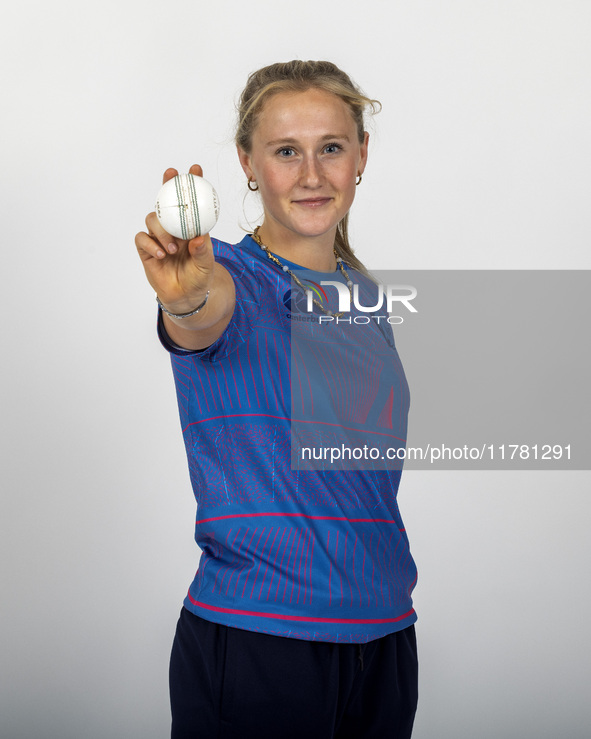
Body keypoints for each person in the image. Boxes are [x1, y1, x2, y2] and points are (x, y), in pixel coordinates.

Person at [135, 60, 418, 739]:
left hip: (383, 636)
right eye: (286, 151)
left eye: (330, 148)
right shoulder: (229, 274)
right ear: (248, 163)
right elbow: (200, 313)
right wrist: (187, 295)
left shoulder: (366, 299)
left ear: (361, 156)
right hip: (263, 640)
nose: (312, 174)